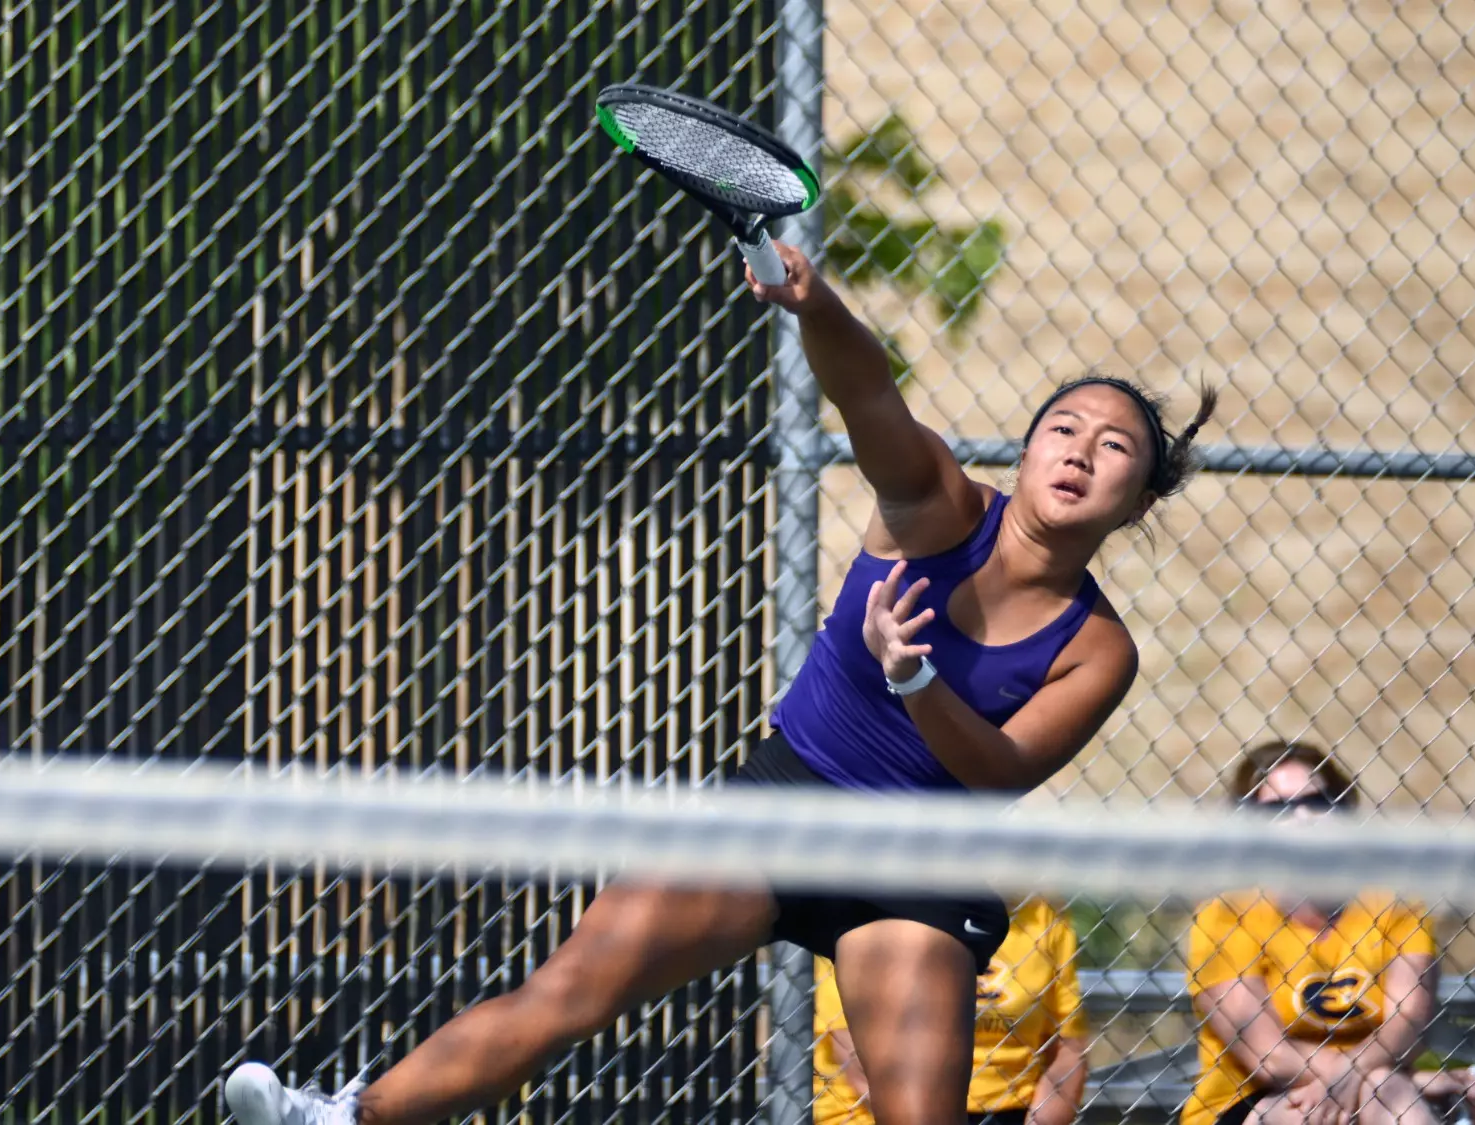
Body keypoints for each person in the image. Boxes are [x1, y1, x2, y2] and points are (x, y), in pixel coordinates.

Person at [222, 241, 1215, 1125]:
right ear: (1029, 446)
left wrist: (914, 677)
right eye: (1063, 427)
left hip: (915, 859)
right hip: (782, 800)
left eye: (1113, 446)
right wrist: (815, 304)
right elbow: (869, 394)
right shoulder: (938, 503)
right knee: (569, 991)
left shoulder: (1097, 647)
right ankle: (344, 1118)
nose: (1079, 450)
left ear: (1136, 501)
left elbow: (996, 771)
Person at [1181, 740, 1475, 1125]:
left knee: (1385, 1090)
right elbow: (1269, 1058)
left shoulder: (1393, 905)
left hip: (1376, 1086)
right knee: (1375, 1092)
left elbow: (1409, 1023)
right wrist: (1402, 1079)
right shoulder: (1225, 916)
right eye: (1278, 809)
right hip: (1251, 1100)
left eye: (1316, 802)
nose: (1302, 817)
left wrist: (1358, 1078)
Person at [814, 897, 1089, 1125]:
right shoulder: (876, 907)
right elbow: (853, 1054)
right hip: (875, 1111)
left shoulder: (1043, 916)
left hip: (1011, 1110)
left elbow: (1069, 1048)